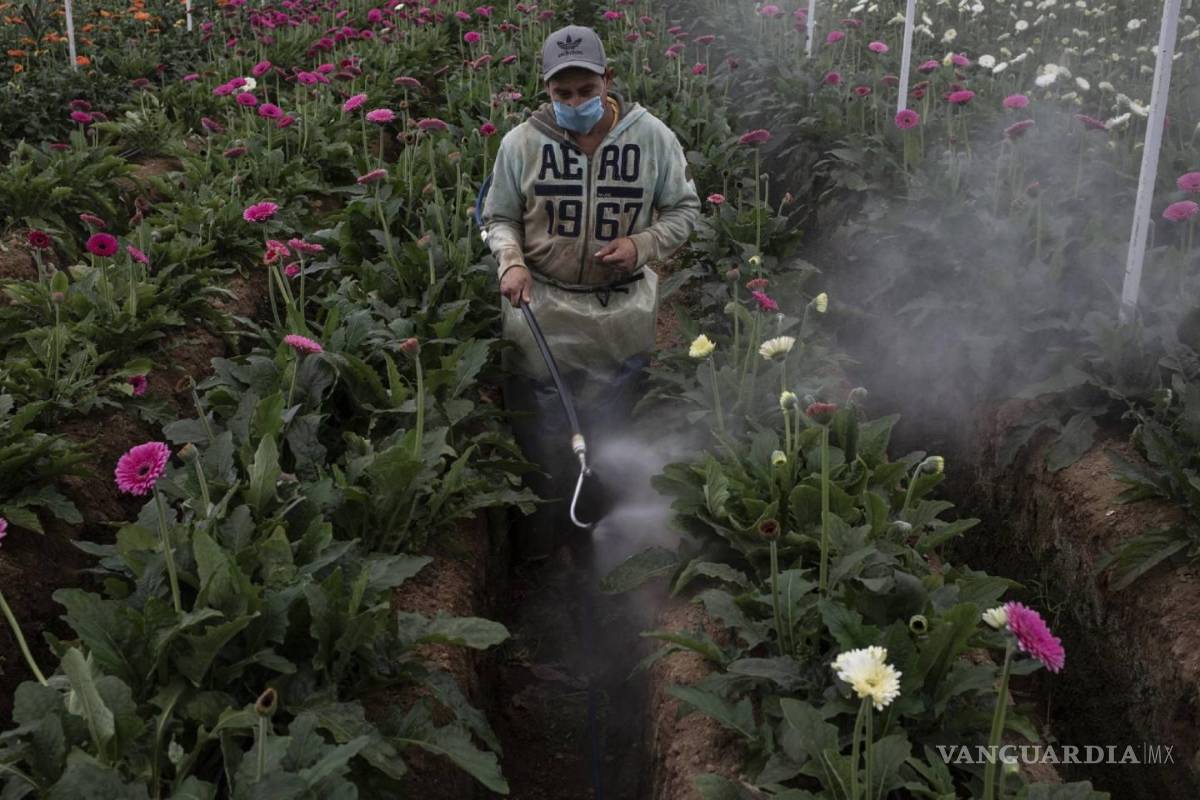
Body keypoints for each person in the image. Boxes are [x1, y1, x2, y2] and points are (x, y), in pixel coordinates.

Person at [482, 24, 700, 560]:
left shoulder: (652, 139)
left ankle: (602, 543)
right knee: (544, 438)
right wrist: (511, 262)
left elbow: (685, 212)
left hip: (621, 313)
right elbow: (499, 216)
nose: (575, 102)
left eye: (586, 91)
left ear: (608, 79)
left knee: (610, 427)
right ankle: (544, 542)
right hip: (543, 312)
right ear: (546, 90)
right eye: (562, 94)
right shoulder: (521, 144)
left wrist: (643, 244)